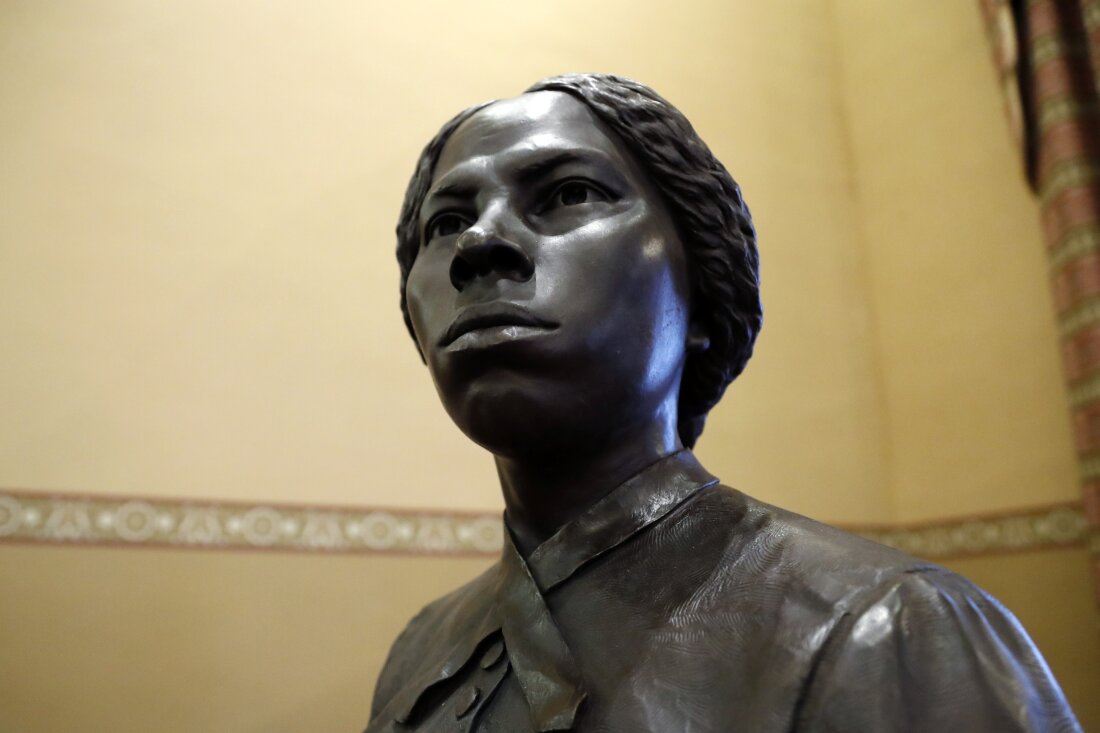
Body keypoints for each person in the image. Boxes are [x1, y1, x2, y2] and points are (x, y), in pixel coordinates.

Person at [365, 74, 1081, 732]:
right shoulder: (421, 650)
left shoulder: (889, 629)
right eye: (446, 222)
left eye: (568, 193)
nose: (480, 243)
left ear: (701, 292)